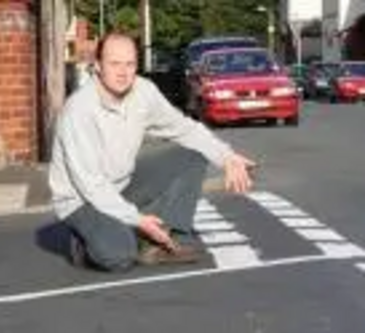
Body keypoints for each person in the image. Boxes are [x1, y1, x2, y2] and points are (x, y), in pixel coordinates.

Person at [48, 31, 255, 272]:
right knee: (119, 255)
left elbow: (183, 128)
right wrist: (137, 220)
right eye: (114, 63)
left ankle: (161, 238)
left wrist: (226, 156)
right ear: (97, 66)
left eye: (130, 64)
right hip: (81, 201)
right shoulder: (80, 111)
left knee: (191, 156)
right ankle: (84, 243)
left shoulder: (143, 92)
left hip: (121, 184)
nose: (123, 72)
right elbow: (91, 185)